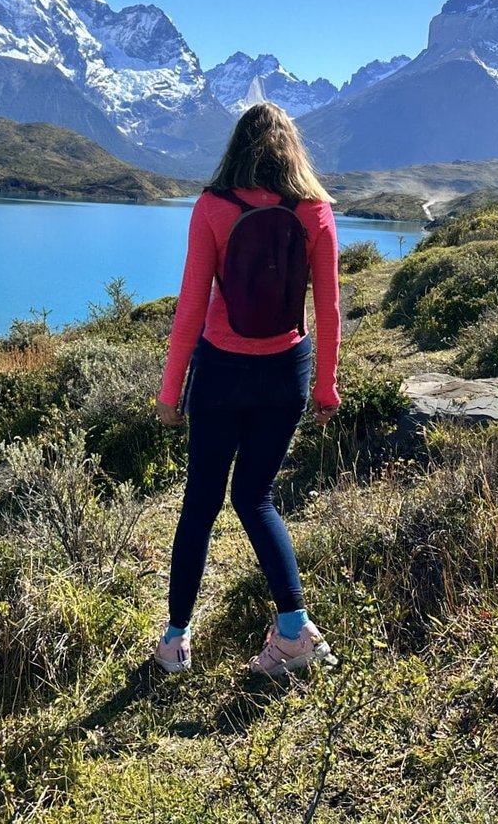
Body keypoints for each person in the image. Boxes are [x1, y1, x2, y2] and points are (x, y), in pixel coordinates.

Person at [152, 102, 342, 677]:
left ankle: (176, 642)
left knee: (200, 503)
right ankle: (293, 630)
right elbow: (328, 311)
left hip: (219, 374)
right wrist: (326, 390)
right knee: (256, 498)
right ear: (292, 149)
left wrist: (170, 393)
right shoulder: (316, 210)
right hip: (288, 373)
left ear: (237, 147)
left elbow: (190, 307)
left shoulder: (212, 206)